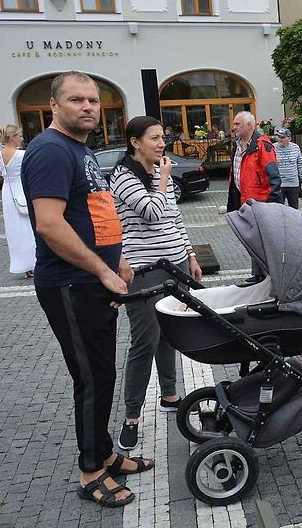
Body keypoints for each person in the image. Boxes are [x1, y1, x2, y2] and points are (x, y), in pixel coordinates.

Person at [21, 71, 153, 508]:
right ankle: (90, 471)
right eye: (77, 100)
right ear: (54, 105)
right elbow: (50, 224)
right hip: (71, 285)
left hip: (92, 280)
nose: (88, 107)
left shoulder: (80, 150)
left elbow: (93, 213)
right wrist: (101, 270)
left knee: (102, 373)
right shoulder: (51, 151)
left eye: (94, 100)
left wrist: (118, 260)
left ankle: (106, 453)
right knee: (92, 379)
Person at [109, 116, 202, 451]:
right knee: (144, 341)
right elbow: (151, 212)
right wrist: (163, 179)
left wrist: (190, 255)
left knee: (169, 333)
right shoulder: (122, 176)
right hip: (144, 270)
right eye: (154, 138)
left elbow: (174, 217)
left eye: (163, 137)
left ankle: (170, 394)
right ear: (135, 142)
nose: (162, 143)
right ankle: (131, 417)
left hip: (175, 264)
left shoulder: (159, 172)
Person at [0, 124, 35, 278]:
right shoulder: (21, 155)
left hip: (7, 192)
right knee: (29, 228)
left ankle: (23, 264)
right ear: (12, 138)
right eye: (19, 136)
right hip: (21, 190)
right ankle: (33, 262)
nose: (22, 139)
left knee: (14, 230)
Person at [227, 111, 282, 213]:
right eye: (234, 124)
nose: (234, 127)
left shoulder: (262, 145)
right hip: (240, 201)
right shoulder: (236, 146)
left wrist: (271, 206)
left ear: (249, 125)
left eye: (237, 124)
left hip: (259, 204)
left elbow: (274, 178)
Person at [274, 128, 302, 208]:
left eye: (283, 137)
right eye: (279, 137)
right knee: (279, 209)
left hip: (293, 184)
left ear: (289, 138)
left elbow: (300, 165)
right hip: (279, 184)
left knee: (294, 208)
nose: (280, 139)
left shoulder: (295, 148)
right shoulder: (273, 148)